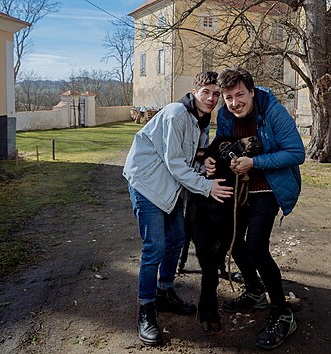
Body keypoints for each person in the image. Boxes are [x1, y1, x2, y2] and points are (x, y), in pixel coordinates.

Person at [123, 71, 233, 346]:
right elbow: (174, 162)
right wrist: (208, 187)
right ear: (195, 91)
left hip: (170, 189)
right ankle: (146, 309)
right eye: (206, 92)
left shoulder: (202, 122)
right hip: (147, 184)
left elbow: (189, 159)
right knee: (156, 247)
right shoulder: (175, 114)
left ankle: (164, 292)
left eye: (216, 94)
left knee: (177, 240)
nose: (211, 98)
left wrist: (204, 164)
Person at [205, 66, 305, 349]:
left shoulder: (273, 111)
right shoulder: (225, 115)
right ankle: (254, 291)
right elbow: (225, 146)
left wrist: (255, 162)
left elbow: (297, 152)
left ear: (251, 91)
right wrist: (215, 159)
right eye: (228, 97)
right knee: (233, 241)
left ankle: (282, 313)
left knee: (256, 247)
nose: (234, 103)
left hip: (270, 186)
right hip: (242, 185)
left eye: (240, 95)